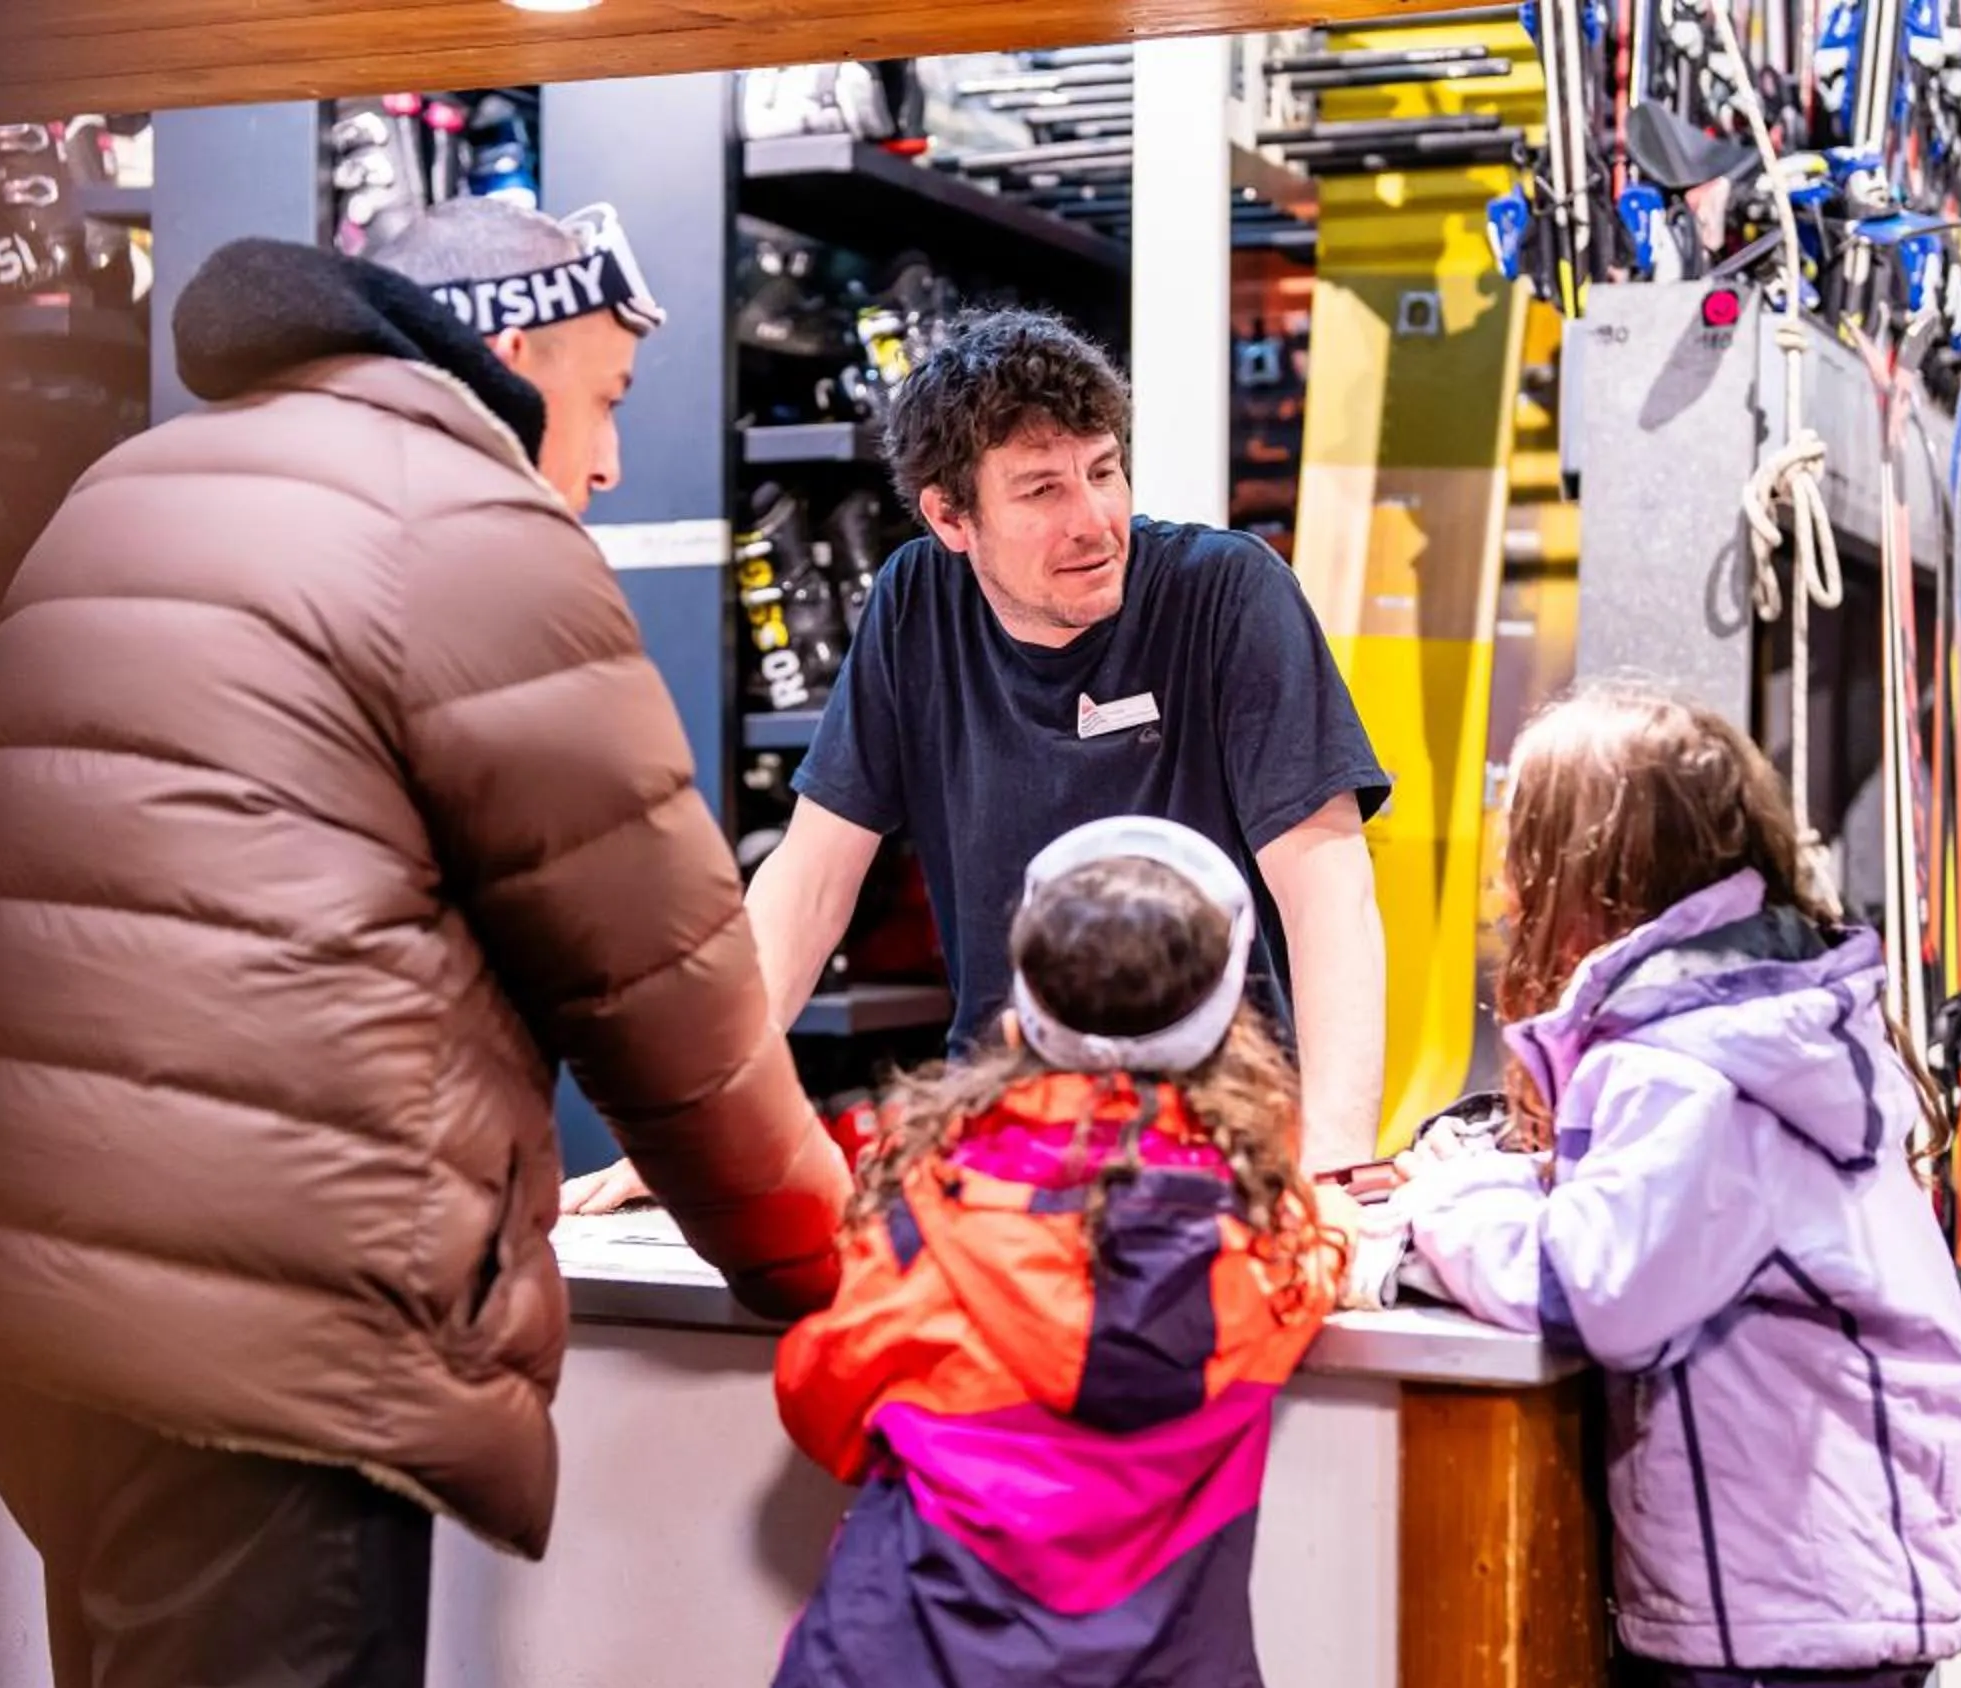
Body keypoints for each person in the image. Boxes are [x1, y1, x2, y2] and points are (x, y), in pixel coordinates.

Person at [0, 199, 850, 1688]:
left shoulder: (141, 486)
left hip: (34, 1300)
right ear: (513, 353)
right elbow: (666, 992)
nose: (597, 462)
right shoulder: (468, 525)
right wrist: (837, 1271)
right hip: (265, 1322)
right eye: (600, 402)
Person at [1351, 687, 1961, 1688]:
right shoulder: (1745, 1020)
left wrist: (1444, 1200)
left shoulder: (1690, 1065)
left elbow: (1595, 1288)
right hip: (1804, 1582)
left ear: (1585, 869)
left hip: (1782, 1605)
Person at [569, 308, 1391, 1221]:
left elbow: (1327, 887)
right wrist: (694, 1130)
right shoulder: (915, 604)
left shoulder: (1227, 592)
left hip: (1222, 1131)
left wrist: (1335, 1165)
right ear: (951, 518)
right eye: (1042, 491)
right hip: (1002, 1138)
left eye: (1104, 472)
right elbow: (805, 884)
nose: (1094, 521)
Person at [733, 815, 1360, 1688]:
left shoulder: (930, 1208)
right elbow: (1327, 1251)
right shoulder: (1264, 1251)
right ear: (1229, 1029)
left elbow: (820, 1397)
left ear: (1020, 1015)